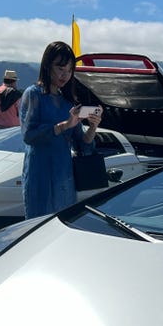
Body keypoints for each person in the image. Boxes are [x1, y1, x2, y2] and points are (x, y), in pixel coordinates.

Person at [20, 41, 102, 218]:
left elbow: (83, 144)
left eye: (70, 70)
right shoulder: (33, 94)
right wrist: (64, 126)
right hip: (39, 172)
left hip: (64, 175)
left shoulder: (67, 102)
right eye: (60, 69)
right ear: (47, 65)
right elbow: (28, 135)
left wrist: (93, 126)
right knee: (38, 225)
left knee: (61, 225)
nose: (65, 75)